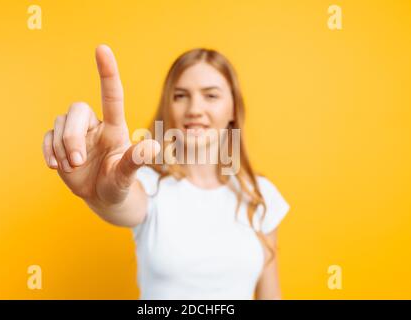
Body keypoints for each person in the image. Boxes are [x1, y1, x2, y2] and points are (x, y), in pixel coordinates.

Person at [42, 44, 290, 299]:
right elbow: (121, 200)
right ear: (168, 107)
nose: (194, 109)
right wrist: (99, 193)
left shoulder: (260, 195)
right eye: (180, 95)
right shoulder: (149, 185)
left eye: (211, 95)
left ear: (233, 110)